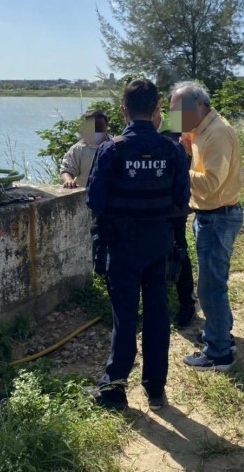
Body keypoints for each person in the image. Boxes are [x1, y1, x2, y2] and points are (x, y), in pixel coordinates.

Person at [86, 79, 190, 411]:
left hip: (122, 246)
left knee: (125, 318)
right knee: (158, 314)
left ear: (124, 110)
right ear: (158, 108)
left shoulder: (112, 149)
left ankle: (114, 390)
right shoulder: (171, 149)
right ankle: (156, 389)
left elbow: (94, 199)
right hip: (159, 244)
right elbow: (182, 198)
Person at [170, 80, 244, 372]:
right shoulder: (201, 130)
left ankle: (219, 353)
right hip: (211, 215)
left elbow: (212, 183)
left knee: (210, 288)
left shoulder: (217, 134)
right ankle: (220, 334)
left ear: (198, 105)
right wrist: (188, 149)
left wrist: (179, 169)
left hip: (218, 216)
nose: (176, 119)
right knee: (214, 283)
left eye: (179, 111)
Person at [154, 112, 197, 328]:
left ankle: (187, 303)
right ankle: (157, 303)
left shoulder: (177, 127)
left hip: (174, 207)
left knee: (179, 252)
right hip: (149, 208)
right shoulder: (137, 129)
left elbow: (191, 159)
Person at [60, 109, 110, 189]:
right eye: (92, 127)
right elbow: (67, 170)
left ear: (106, 126)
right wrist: (68, 180)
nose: (96, 131)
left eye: (99, 127)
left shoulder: (117, 146)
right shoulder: (78, 149)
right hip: (85, 195)